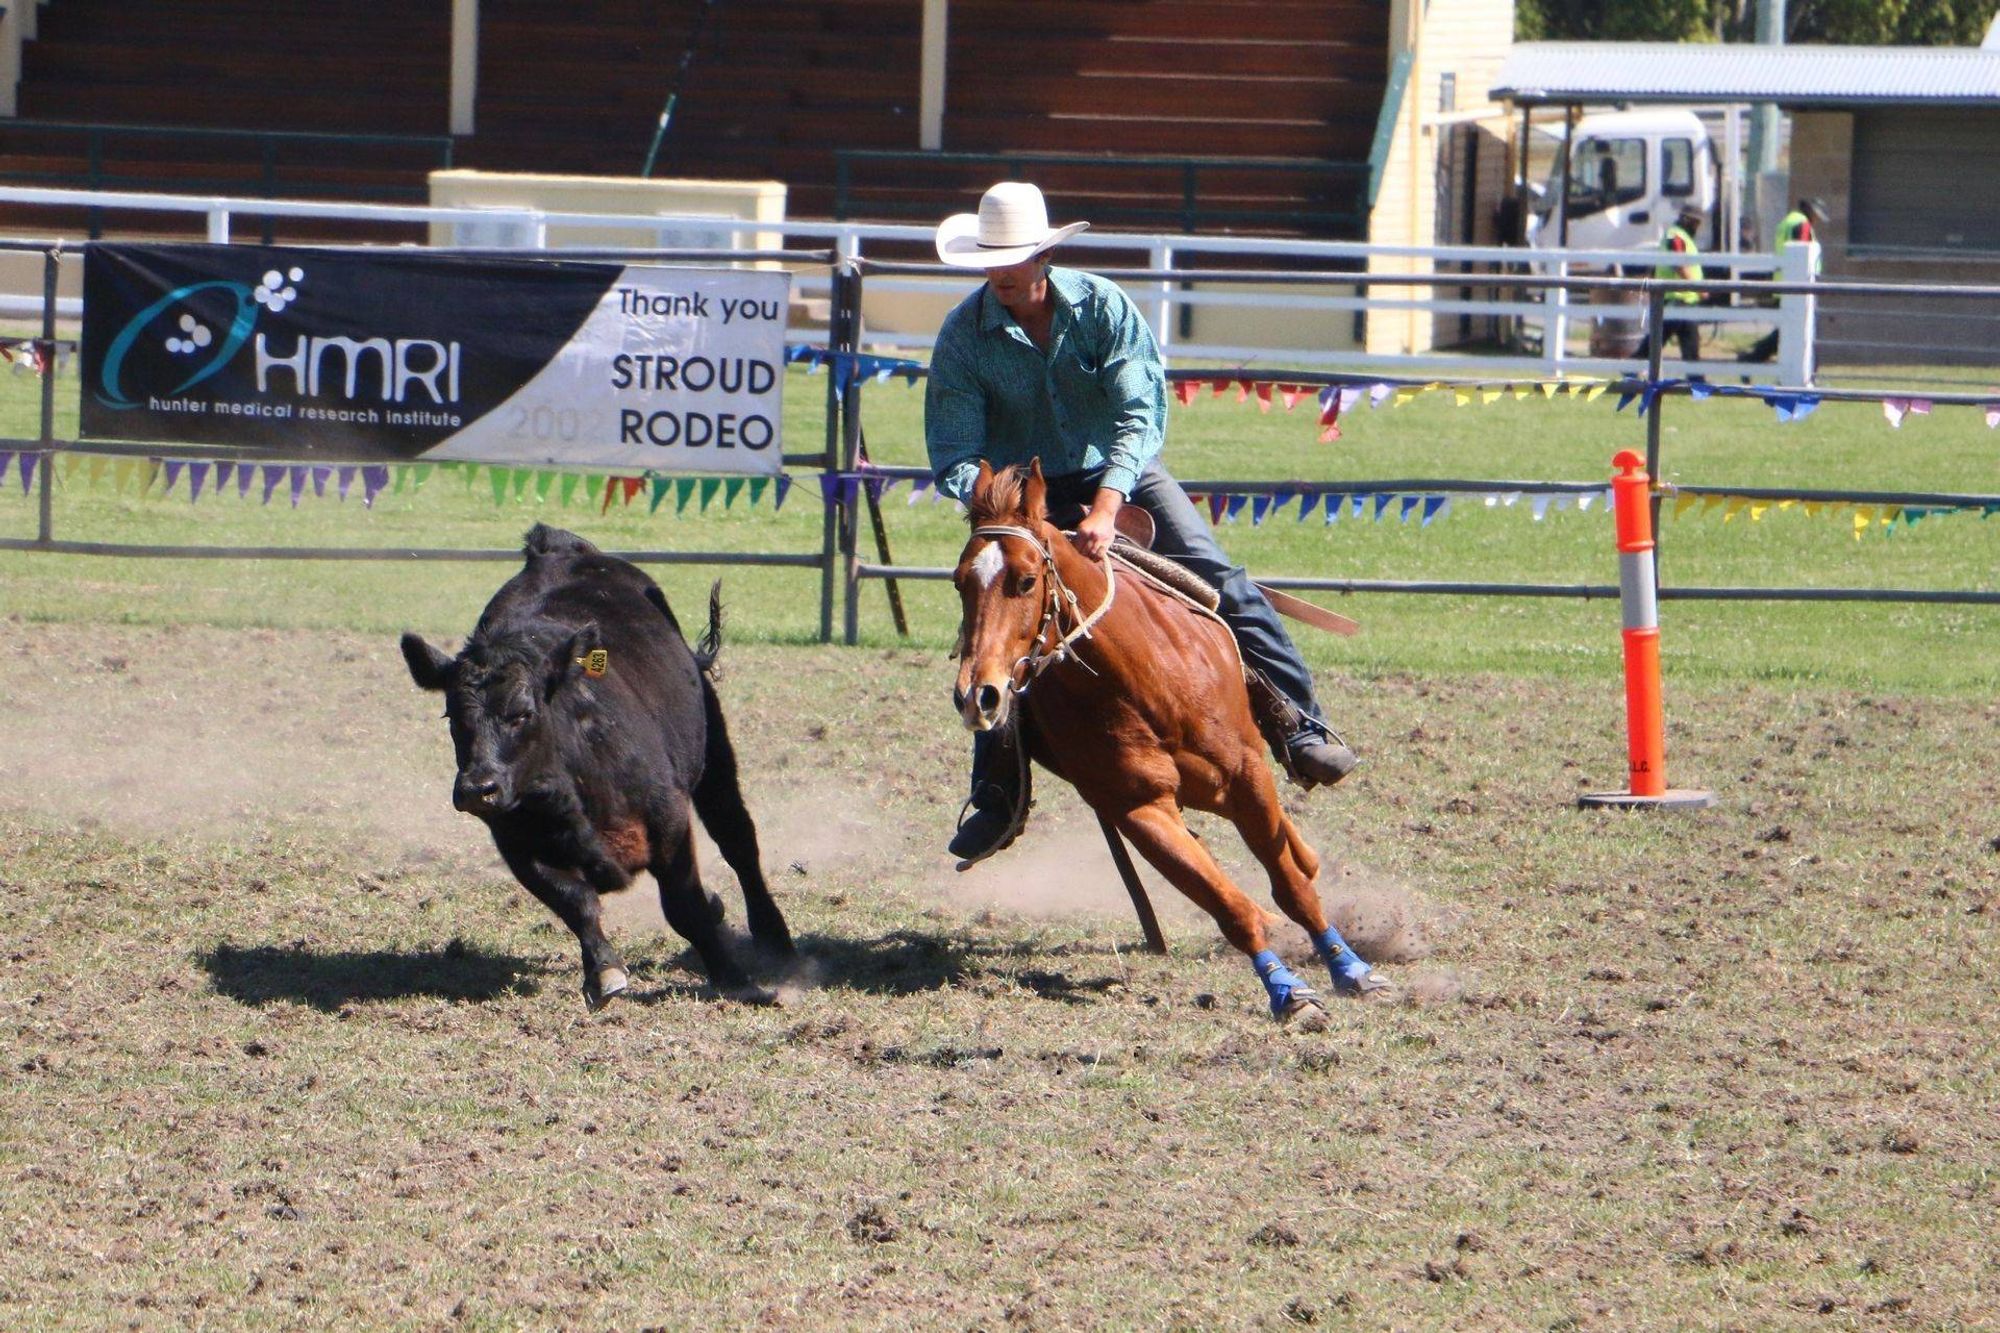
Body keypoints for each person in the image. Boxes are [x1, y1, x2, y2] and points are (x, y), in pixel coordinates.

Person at [924, 181, 1358, 865]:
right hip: (1019, 496)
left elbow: (1138, 414)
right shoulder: (964, 337)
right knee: (992, 631)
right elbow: (953, 448)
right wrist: (994, 501)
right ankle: (998, 792)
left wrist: (1105, 503)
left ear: (1042, 256)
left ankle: (1298, 724)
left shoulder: (1101, 308)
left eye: (1013, 258)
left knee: (1219, 579)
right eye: (991, 260)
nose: (1001, 273)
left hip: (1119, 472)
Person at [1739, 197, 1829, 363]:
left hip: (1784, 282)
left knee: (1789, 330)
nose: (1817, 220)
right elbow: (1801, 252)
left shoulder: (1788, 221)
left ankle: (1755, 356)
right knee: (1798, 331)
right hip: (1798, 284)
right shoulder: (1802, 224)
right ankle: (1754, 356)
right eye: (1817, 215)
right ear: (1811, 211)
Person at [1636, 205, 1706, 366]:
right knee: (1657, 341)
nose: (1697, 227)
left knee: (1689, 347)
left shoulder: (1677, 236)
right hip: (1677, 298)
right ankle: (1634, 365)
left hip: (1684, 299)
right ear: (1687, 220)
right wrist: (1698, 287)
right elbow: (1678, 264)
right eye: (1696, 223)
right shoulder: (1675, 236)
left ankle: (1697, 383)